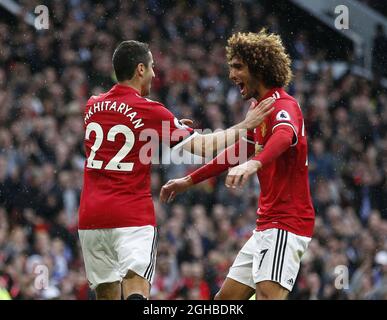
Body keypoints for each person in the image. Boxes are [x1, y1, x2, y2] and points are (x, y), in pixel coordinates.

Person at [78, 40, 274, 300]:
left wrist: (167, 130)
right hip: (129, 215)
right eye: (151, 67)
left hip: (91, 217)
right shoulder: (151, 110)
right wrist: (245, 125)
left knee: (106, 295)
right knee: (136, 289)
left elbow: (121, 140)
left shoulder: (93, 105)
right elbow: (204, 147)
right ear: (139, 69)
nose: (154, 74)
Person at [160, 30, 315, 300]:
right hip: (266, 225)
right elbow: (238, 151)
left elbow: (284, 135)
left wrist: (254, 164)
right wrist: (189, 180)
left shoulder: (284, 106)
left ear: (259, 67)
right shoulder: (260, 108)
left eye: (238, 67)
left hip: (286, 223)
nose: (232, 75)